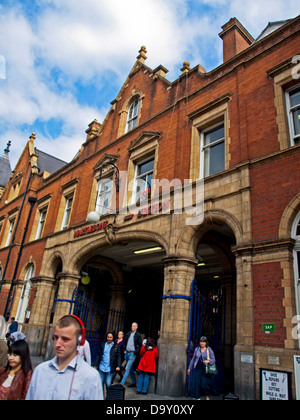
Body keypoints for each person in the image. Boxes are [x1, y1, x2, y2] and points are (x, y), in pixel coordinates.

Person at [26, 315, 103, 400]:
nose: (58, 344)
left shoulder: (90, 377)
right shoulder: (40, 371)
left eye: (65, 339)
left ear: (79, 341)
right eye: (56, 337)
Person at [187, 336, 218, 400]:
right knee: (196, 384)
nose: (202, 343)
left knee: (204, 384)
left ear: (206, 343)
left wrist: (208, 361)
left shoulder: (209, 350)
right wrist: (190, 368)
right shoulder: (197, 349)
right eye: (201, 341)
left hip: (205, 370)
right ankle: (197, 397)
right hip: (197, 369)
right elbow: (193, 359)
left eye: (203, 342)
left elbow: (213, 359)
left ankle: (207, 396)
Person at [94, 332, 121, 396]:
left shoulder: (116, 346)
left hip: (110, 368)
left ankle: (109, 396)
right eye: (108, 337)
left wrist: (118, 366)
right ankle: (101, 397)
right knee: (101, 383)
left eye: (110, 337)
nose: (109, 338)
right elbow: (99, 355)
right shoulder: (103, 344)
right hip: (102, 366)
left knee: (108, 383)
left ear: (113, 338)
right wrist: (95, 365)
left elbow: (118, 356)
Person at [120, 322, 143, 388]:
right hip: (127, 353)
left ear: (136, 327)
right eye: (132, 326)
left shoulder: (138, 335)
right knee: (131, 369)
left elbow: (140, 345)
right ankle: (133, 382)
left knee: (127, 368)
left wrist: (135, 352)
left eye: (133, 326)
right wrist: (124, 350)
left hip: (132, 354)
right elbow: (125, 342)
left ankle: (121, 383)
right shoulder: (128, 333)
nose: (132, 327)